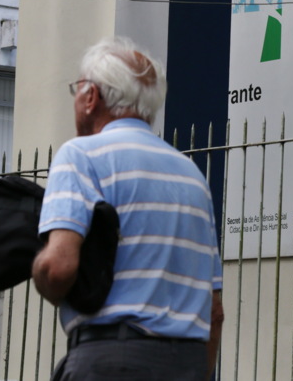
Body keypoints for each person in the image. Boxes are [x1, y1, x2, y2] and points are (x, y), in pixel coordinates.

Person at [32, 36, 224, 380]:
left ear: (90, 96)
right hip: (188, 364)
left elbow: (59, 269)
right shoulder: (193, 178)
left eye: (77, 88)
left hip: (110, 359)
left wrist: (37, 265)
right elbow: (215, 311)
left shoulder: (80, 155)